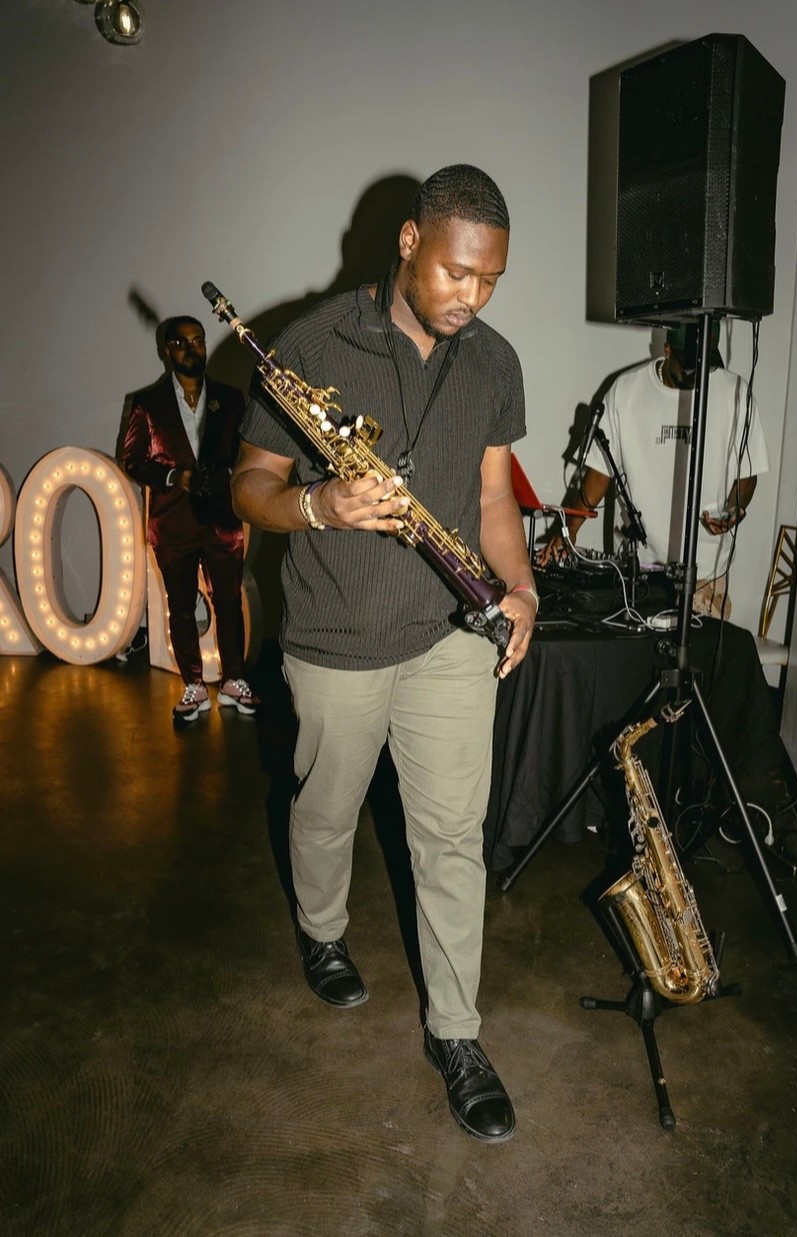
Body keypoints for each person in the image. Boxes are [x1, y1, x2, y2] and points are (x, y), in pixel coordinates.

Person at [232, 165, 537, 1143]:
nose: (473, 296)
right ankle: (323, 930)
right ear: (409, 242)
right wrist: (319, 504)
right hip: (337, 636)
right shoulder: (310, 343)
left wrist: (521, 588)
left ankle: (457, 1034)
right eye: (457, 272)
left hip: (449, 635)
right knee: (326, 807)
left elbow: (494, 498)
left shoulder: (494, 362)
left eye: (490, 279)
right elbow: (250, 484)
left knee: (450, 837)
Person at [538, 322, 770, 618]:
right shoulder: (626, 391)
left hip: (704, 575)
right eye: (688, 369)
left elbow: (747, 470)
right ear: (667, 350)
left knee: (700, 647)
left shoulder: (736, 394)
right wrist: (568, 531)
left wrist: (735, 506)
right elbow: (599, 472)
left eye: (704, 367)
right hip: (638, 571)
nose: (696, 377)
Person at [122, 316, 259, 721]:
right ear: (167, 350)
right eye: (181, 342)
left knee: (229, 603)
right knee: (180, 607)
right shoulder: (148, 402)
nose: (191, 348)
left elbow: (246, 452)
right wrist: (171, 477)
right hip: (172, 524)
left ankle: (233, 681)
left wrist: (230, 475)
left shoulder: (230, 398)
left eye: (197, 340)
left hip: (222, 521)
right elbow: (132, 460)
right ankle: (194, 686)